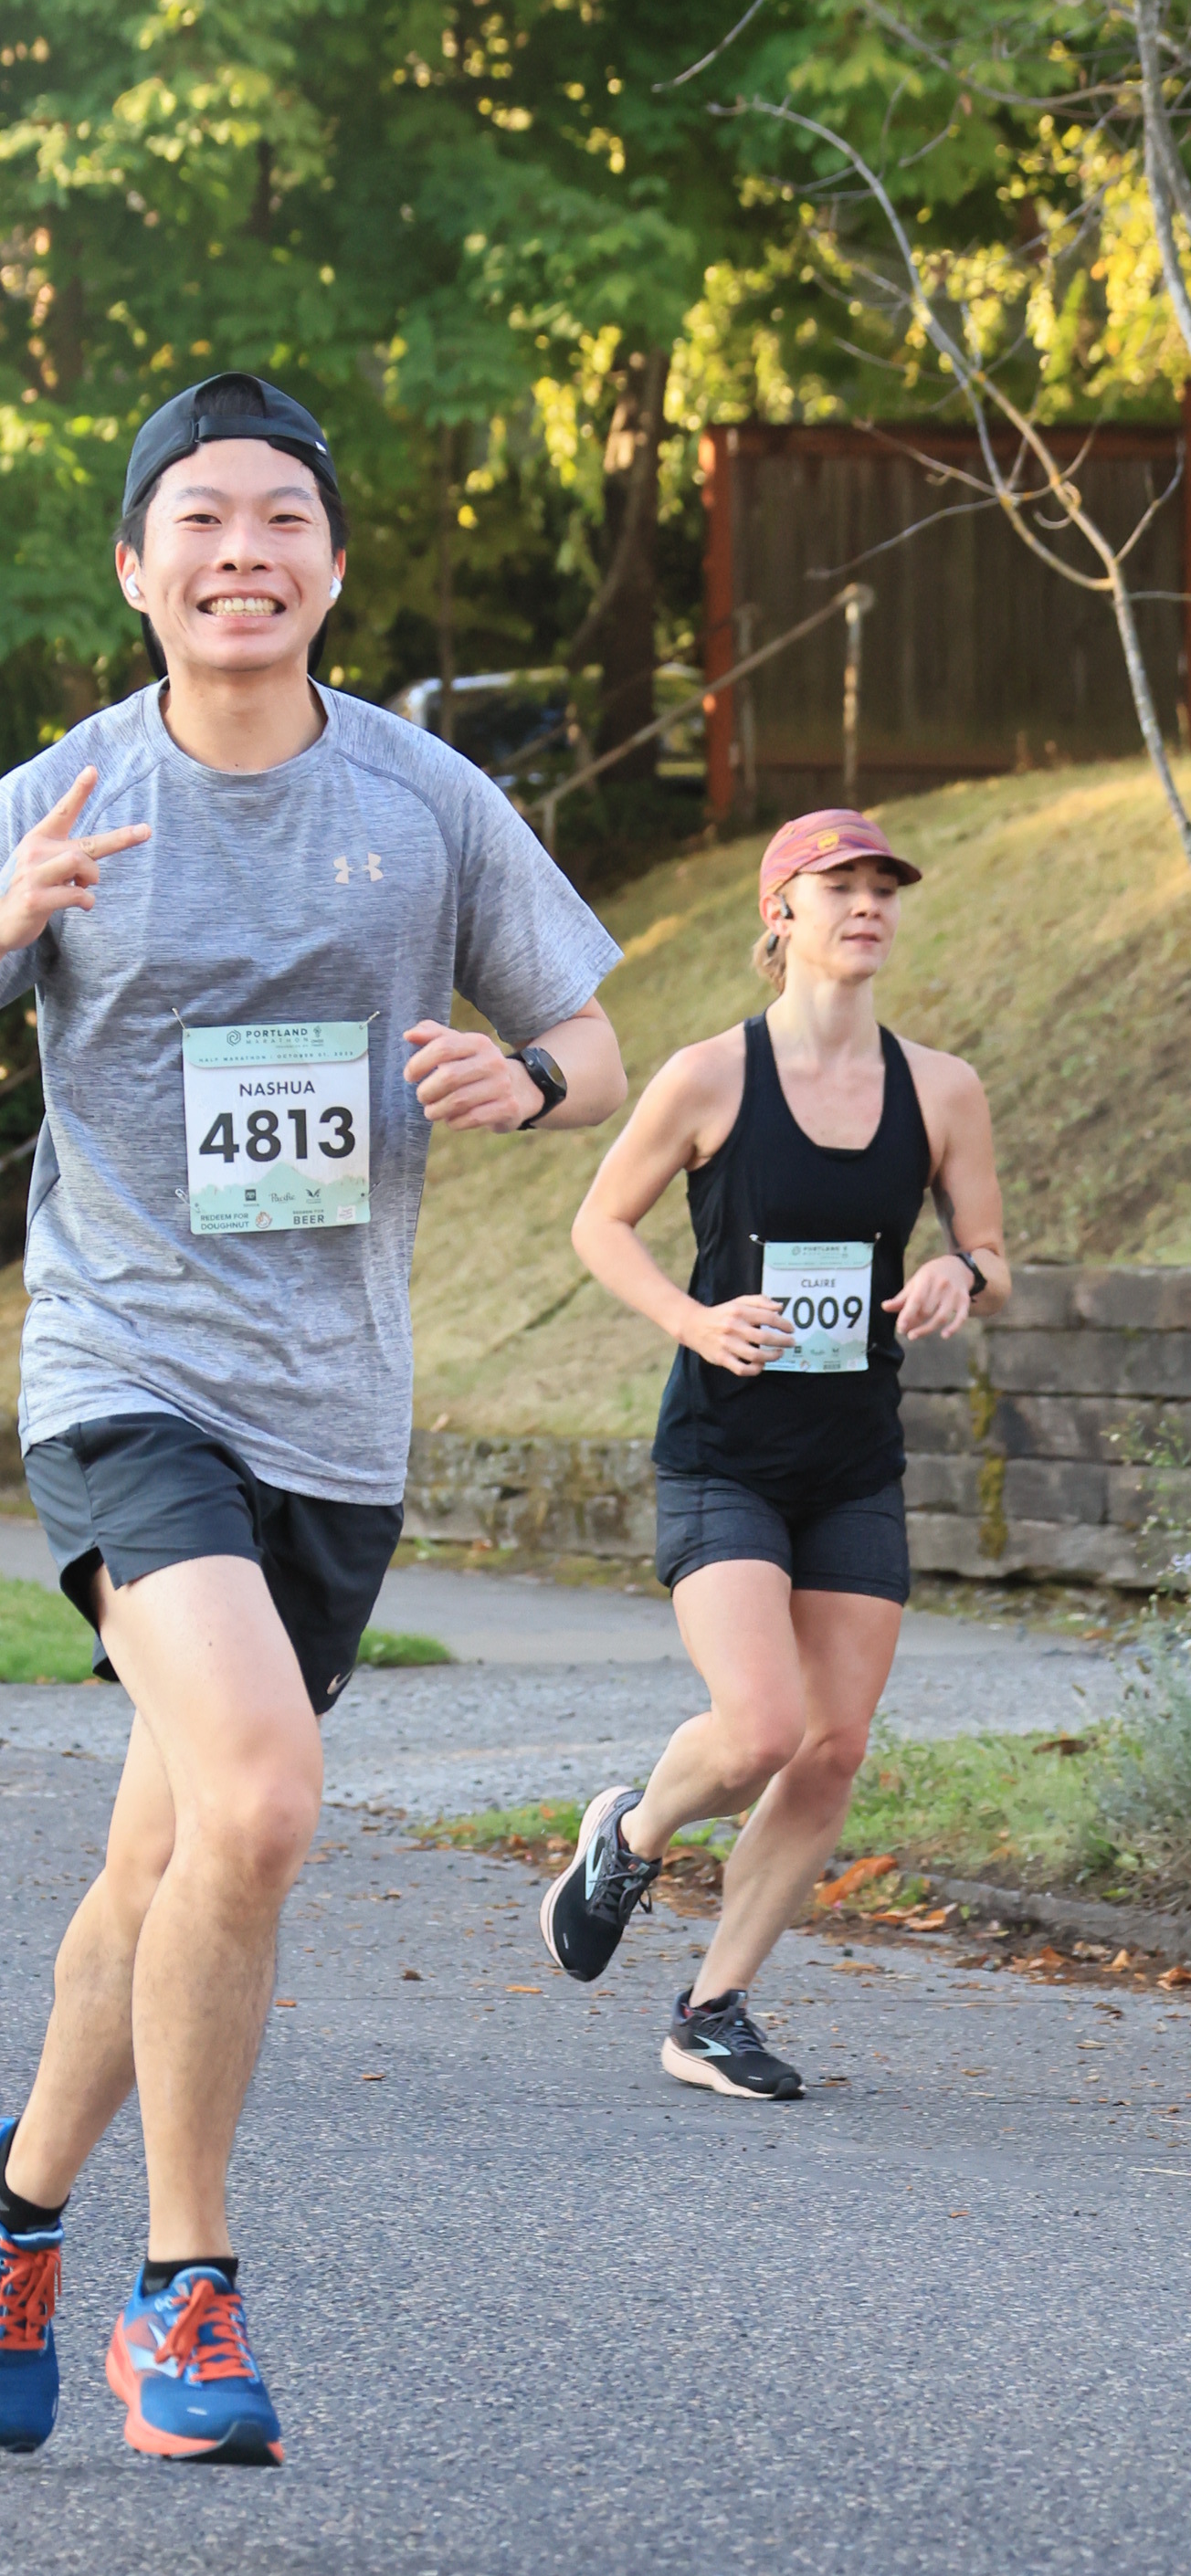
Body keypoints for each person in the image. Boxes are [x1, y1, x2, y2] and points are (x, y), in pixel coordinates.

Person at [0, 372, 627, 2466]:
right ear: (133, 566)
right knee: (259, 1804)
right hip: (124, 1377)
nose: (239, 551)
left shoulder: (423, 801)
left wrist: (524, 1082)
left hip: (331, 1414)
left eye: (280, 518)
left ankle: (5, 2202)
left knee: (167, 1855)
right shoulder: (64, 799)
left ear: (332, 568)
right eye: (198, 517)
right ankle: (183, 2292)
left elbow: (593, 1042)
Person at [546, 808, 1008, 2098]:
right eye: (837, 884)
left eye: (883, 887)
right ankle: (631, 1832)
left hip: (853, 1458)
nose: (866, 905)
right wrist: (692, 1319)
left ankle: (711, 2011)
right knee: (759, 1727)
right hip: (726, 1451)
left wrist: (960, 1274)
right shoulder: (709, 1076)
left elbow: (990, 1249)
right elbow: (599, 1224)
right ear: (779, 914)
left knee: (832, 1748)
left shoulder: (942, 1090)